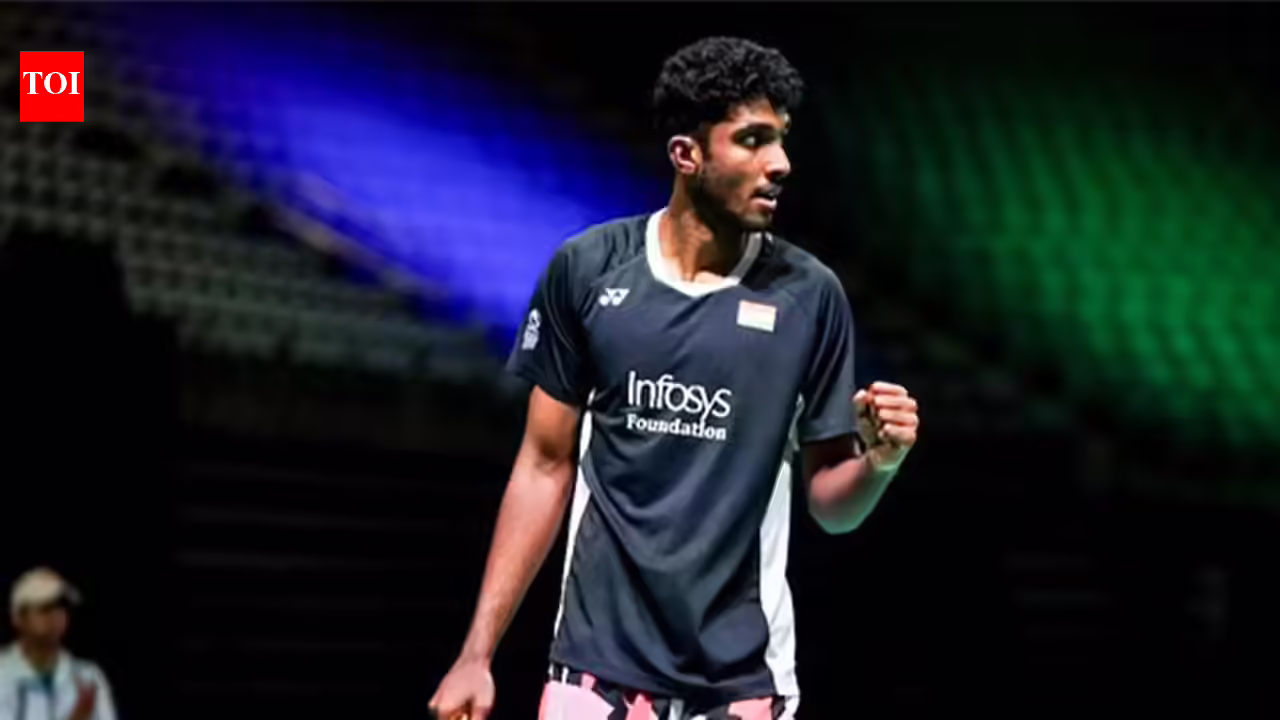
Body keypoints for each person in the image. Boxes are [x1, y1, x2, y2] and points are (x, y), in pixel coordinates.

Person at [430, 36, 920, 720]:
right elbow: (542, 465)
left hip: (742, 683)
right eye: (752, 140)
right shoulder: (589, 269)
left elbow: (831, 507)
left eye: (781, 139)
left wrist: (880, 463)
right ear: (687, 155)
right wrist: (476, 653)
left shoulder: (811, 296)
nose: (780, 163)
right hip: (592, 674)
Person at [0, 568, 118, 720]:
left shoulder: (89, 677)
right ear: (17, 618)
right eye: (45, 608)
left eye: (61, 607)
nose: (56, 616)